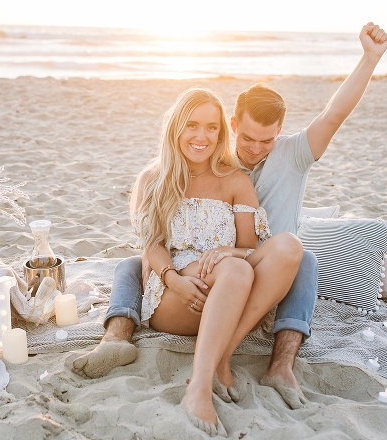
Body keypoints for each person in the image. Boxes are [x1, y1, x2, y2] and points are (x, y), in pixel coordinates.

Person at [71, 22, 387, 410]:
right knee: (130, 264)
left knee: (301, 255)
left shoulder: (287, 156)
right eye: (248, 137)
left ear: (279, 132)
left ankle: (278, 363)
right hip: (202, 275)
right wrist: (176, 274)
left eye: (266, 139)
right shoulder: (210, 163)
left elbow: (333, 114)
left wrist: (370, 58)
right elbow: (154, 240)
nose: (256, 148)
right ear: (234, 128)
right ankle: (116, 340)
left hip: (266, 268)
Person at [124, 88, 302, 434]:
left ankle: (223, 355)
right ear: (176, 128)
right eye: (192, 125)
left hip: (230, 289)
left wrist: (227, 252)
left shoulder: (236, 180)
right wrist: (173, 279)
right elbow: (153, 245)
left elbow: (249, 248)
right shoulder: (154, 179)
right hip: (176, 294)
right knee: (234, 269)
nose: (201, 136)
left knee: (289, 246)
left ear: (223, 132)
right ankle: (199, 388)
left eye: (211, 128)